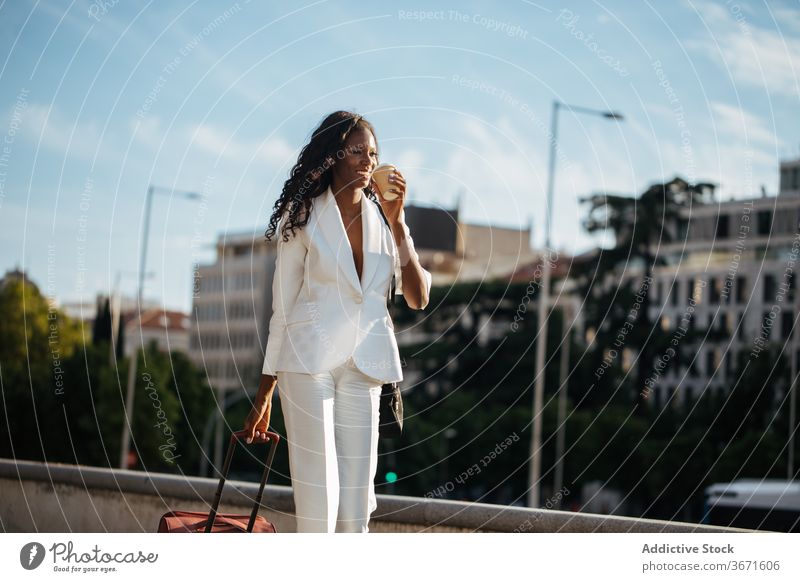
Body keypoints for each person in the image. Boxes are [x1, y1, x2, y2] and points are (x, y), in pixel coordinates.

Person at [243, 111, 432, 533]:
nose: (368, 161)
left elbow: (418, 297)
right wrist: (265, 391)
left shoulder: (384, 222)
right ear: (333, 156)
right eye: (358, 151)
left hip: (364, 367)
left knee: (355, 511)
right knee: (319, 502)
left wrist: (399, 221)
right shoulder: (303, 215)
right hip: (307, 363)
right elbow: (283, 307)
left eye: (374, 153)